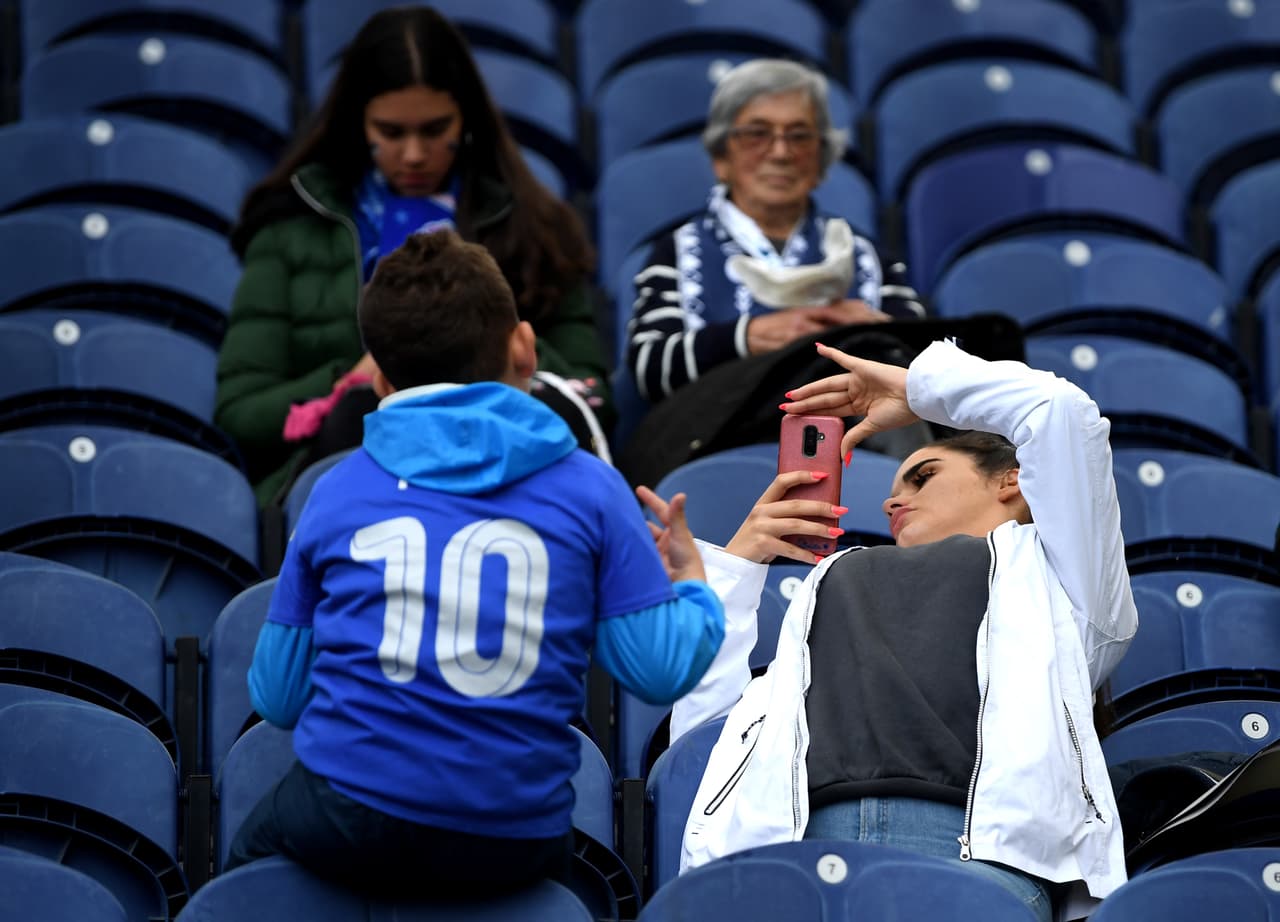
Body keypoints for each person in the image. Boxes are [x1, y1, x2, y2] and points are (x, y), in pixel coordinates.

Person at [225, 229, 724, 899]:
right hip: (512, 838)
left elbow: (277, 699)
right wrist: (691, 582)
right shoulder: (594, 489)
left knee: (238, 877)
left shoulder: (336, 489)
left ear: (378, 378)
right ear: (523, 346)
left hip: (347, 818)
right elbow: (661, 671)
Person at [652, 339, 1138, 922]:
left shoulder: (1061, 577)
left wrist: (919, 393)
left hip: (971, 861)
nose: (890, 501)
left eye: (922, 476)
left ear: (1012, 481)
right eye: (896, 487)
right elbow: (707, 744)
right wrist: (736, 568)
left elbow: (1061, 412)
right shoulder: (832, 578)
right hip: (802, 856)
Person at [215, 5, 611, 507]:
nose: (415, 154)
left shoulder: (534, 226)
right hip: (348, 479)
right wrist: (352, 377)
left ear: (466, 120)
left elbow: (592, 396)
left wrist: (490, 344)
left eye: (434, 129)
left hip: (508, 481)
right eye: (392, 133)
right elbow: (241, 413)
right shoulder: (291, 227)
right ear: (359, 124)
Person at [624, 58, 922, 407]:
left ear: (820, 162)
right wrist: (745, 337)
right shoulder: (678, 252)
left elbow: (924, 370)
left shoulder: (864, 254)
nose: (780, 152)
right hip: (721, 443)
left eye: (799, 136)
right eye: (757, 134)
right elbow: (647, 371)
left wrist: (872, 330)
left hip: (856, 442)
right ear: (721, 158)